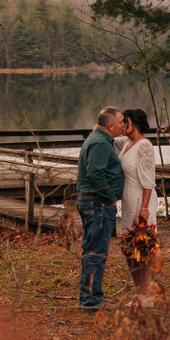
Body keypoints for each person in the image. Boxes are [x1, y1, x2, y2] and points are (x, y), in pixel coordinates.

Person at [76, 106, 125, 311]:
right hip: (97, 203)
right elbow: (95, 173)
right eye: (121, 122)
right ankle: (90, 300)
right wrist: (110, 198)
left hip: (94, 201)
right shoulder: (100, 143)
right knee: (96, 251)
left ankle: (90, 296)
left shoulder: (100, 139)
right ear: (111, 126)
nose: (124, 125)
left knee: (92, 249)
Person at [114, 108, 158, 298]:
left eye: (126, 121)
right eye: (122, 121)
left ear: (136, 125)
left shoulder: (144, 145)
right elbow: (108, 135)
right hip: (128, 200)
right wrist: (102, 126)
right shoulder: (125, 142)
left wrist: (145, 208)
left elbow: (148, 180)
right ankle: (139, 291)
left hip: (142, 199)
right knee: (128, 248)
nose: (123, 125)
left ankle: (146, 294)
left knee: (143, 248)